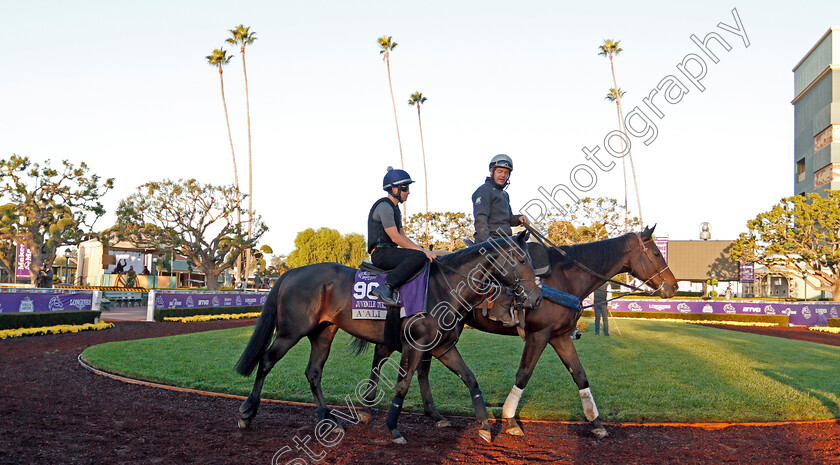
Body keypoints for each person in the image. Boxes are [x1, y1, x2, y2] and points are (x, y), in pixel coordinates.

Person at [368, 167, 436, 306]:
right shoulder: (384, 207)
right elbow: (396, 238)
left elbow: (403, 237)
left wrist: (420, 248)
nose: (408, 192)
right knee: (419, 256)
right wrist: (422, 252)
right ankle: (386, 287)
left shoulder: (395, 209)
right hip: (381, 253)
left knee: (419, 254)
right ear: (394, 189)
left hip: (389, 251)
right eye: (405, 188)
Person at [471, 154, 530, 243]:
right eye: (500, 171)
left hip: (506, 240)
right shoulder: (483, 191)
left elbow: (508, 219)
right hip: (491, 241)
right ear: (492, 171)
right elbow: (481, 220)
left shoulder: (504, 194)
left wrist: (519, 218)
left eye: (506, 172)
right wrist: (488, 244)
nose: (503, 175)